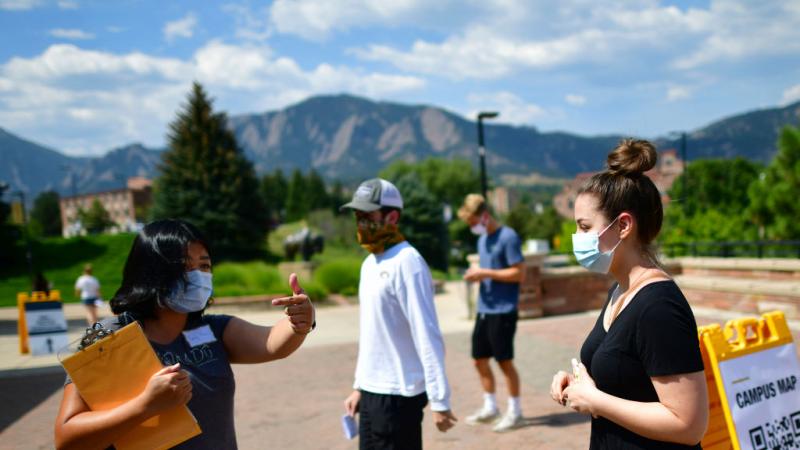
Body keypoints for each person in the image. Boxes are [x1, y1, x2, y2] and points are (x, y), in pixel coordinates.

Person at [54, 219, 315, 450]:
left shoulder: (215, 329)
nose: (199, 276)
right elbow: (67, 439)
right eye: (185, 266)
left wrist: (299, 323)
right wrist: (145, 405)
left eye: (205, 265)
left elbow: (271, 343)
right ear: (151, 271)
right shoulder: (109, 339)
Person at [549, 139, 708, 449]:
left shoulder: (658, 307)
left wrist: (596, 401)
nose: (577, 238)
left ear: (623, 226)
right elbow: (627, 378)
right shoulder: (621, 290)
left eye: (584, 226)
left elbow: (689, 425)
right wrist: (579, 385)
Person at [340, 178, 457, 450]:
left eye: (367, 215)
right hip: (371, 393)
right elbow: (372, 334)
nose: (360, 222)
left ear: (392, 216)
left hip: (398, 396)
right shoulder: (369, 263)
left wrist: (439, 399)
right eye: (357, 215)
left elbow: (426, 333)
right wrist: (359, 386)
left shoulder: (408, 261)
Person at [457, 194, 525, 432]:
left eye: (472, 222)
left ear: (484, 216)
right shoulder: (483, 239)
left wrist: (484, 273)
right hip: (484, 309)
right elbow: (489, 270)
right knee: (479, 360)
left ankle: (515, 412)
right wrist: (477, 273)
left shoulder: (508, 237)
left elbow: (518, 273)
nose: (471, 227)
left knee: (504, 362)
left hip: (504, 311)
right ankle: (490, 407)